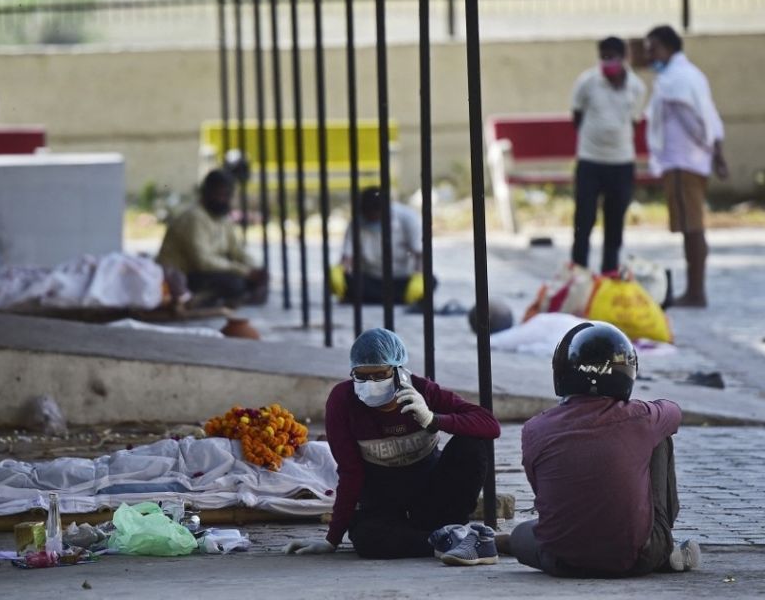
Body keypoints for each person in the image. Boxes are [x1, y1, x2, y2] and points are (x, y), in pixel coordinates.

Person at [498, 321, 700, 578]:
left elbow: (543, 491)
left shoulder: (535, 428)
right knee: (659, 435)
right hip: (637, 558)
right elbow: (674, 412)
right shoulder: (641, 418)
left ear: (561, 373)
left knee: (522, 534)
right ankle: (663, 547)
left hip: (561, 561)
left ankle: (499, 543)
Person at [284, 328, 501, 564]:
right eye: (361, 376)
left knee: (471, 443)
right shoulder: (343, 401)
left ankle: (451, 531)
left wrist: (433, 419)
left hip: (432, 496)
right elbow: (349, 472)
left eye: (379, 375)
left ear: (399, 372)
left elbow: (489, 425)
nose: (371, 384)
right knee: (368, 540)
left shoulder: (423, 390)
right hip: (382, 501)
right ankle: (447, 540)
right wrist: (332, 540)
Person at [644, 25, 728, 307]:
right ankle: (694, 289)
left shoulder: (674, 80)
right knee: (691, 225)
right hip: (693, 161)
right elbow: (711, 115)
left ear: (668, 47)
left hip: (682, 161)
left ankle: (695, 291)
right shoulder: (691, 74)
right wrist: (716, 152)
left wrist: (709, 146)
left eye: (653, 48)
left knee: (692, 226)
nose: (648, 54)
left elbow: (695, 122)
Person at [570, 36, 648, 273]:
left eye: (612, 57)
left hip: (621, 162)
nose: (608, 62)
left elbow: (634, 121)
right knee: (584, 219)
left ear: (623, 58)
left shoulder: (636, 87)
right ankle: (579, 269)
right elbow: (577, 116)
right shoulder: (587, 82)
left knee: (615, 221)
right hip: (590, 160)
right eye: (603, 57)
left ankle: (609, 271)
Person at [156, 169, 267, 307]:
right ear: (207, 193)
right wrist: (244, 271)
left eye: (227, 195)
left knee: (256, 278)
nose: (224, 199)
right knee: (235, 283)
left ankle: (231, 298)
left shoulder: (222, 218)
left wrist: (255, 269)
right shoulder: (194, 217)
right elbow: (202, 262)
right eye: (219, 194)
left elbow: (236, 250)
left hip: (207, 271)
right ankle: (197, 300)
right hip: (181, 276)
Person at [340, 187, 425, 304]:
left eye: (375, 216)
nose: (371, 219)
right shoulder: (357, 222)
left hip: (402, 278)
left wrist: (419, 277)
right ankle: (394, 299)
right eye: (368, 216)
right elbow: (347, 256)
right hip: (370, 278)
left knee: (429, 282)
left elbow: (420, 253)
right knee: (349, 283)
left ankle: (381, 298)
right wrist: (339, 272)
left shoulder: (408, 218)